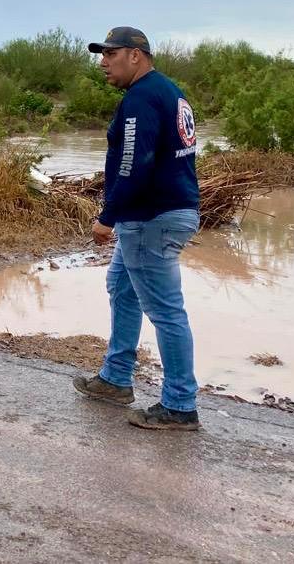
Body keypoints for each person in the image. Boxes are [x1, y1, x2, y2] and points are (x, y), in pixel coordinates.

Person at [71, 27, 203, 431]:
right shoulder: (168, 91)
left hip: (151, 218)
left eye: (110, 54)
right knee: (122, 289)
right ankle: (115, 379)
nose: (103, 62)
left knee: (165, 310)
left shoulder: (141, 99)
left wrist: (107, 216)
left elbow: (134, 162)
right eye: (101, 54)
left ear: (136, 55)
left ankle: (180, 405)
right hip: (166, 211)